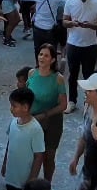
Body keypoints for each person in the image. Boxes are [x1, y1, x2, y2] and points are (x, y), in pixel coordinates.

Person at [25, 44, 68, 180]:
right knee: (32, 155)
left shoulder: (58, 78)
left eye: (46, 55)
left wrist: (44, 115)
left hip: (52, 121)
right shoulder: (31, 73)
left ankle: (47, 184)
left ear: (53, 60)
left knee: (49, 157)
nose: (42, 57)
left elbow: (63, 105)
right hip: (32, 120)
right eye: (40, 54)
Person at [61, 0, 97, 111]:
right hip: (73, 43)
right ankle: (72, 101)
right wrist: (72, 23)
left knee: (88, 75)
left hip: (90, 44)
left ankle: (89, 102)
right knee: (72, 75)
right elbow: (64, 21)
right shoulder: (70, 2)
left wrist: (90, 25)